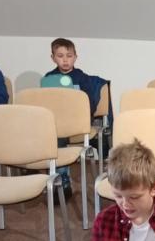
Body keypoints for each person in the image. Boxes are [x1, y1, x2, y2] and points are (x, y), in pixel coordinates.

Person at [44, 38, 110, 197]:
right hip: (58, 123)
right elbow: (46, 103)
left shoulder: (82, 78)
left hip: (79, 121)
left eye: (69, 56)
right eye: (60, 56)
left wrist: (81, 115)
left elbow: (90, 102)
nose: (65, 60)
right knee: (51, 133)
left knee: (60, 134)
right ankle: (57, 178)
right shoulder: (49, 78)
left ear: (75, 57)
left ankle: (63, 180)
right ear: (53, 58)